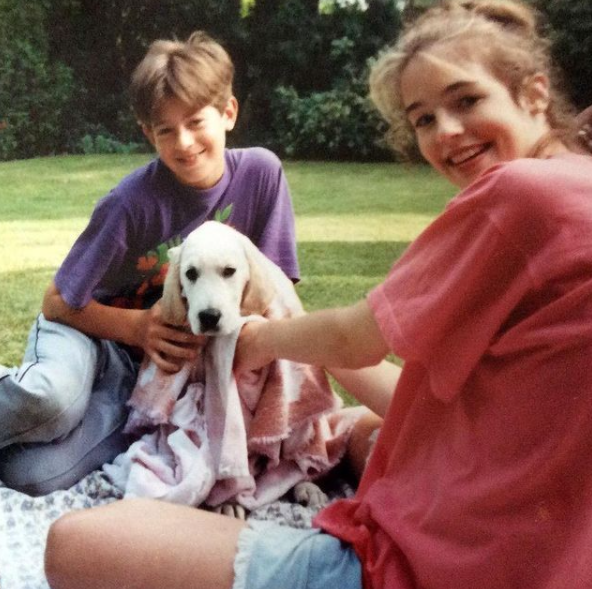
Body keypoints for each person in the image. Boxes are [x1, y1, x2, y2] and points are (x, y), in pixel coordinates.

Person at [44, 1, 592, 588]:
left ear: (535, 94)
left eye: (467, 100)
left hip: (427, 565)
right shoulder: (576, 185)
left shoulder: (516, 200)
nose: (446, 133)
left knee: (72, 541)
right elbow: (419, 389)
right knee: (348, 426)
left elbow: (355, 338)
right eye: (424, 119)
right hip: (545, 540)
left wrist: (259, 341)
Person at [0, 31, 299, 496]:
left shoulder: (261, 175)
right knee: (52, 401)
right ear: (147, 133)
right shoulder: (130, 203)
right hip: (85, 331)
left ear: (228, 113)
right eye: (165, 129)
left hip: (147, 373)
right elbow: (57, 301)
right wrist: (140, 328)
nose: (184, 142)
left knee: (35, 475)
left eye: (196, 121)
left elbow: (272, 296)